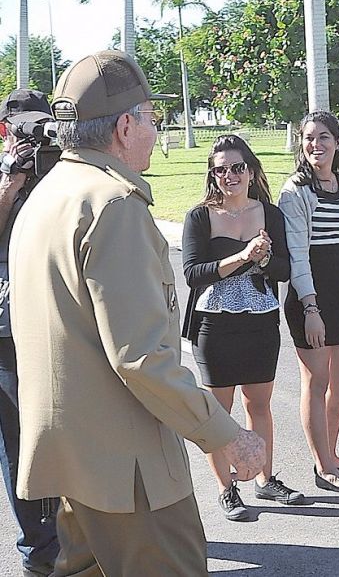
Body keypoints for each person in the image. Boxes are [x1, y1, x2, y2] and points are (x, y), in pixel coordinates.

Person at [10, 50, 264, 574]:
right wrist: (225, 434)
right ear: (125, 126)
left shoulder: (49, 192)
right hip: (130, 472)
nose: (154, 129)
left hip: (74, 462)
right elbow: (142, 357)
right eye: (152, 118)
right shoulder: (113, 204)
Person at [181, 135, 300, 521]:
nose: (229, 176)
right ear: (212, 175)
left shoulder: (270, 214)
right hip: (214, 324)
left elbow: (284, 269)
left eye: (237, 167)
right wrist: (241, 257)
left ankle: (265, 480)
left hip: (260, 321)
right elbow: (192, 274)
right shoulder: (200, 216)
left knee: (259, 404)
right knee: (220, 411)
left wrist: (264, 261)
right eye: (220, 170)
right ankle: (226, 488)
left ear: (250, 170)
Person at [278, 111, 339, 495]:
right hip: (309, 298)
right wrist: (311, 309)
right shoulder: (295, 190)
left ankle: (331, 453)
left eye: (324, 137)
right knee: (316, 381)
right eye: (309, 138)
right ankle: (323, 467)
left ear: (337, 142)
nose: (316, 145)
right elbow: (298, 255)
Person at [0, 90, 59, 575]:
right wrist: (11, 179)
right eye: (23, 128)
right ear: (7, 129)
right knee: (21, 443)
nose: (32, 136)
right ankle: (40, 549)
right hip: (6, 332)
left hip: (59, 322)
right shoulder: (6, 170)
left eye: (40, 125)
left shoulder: (63, 165)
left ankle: (81, 538)